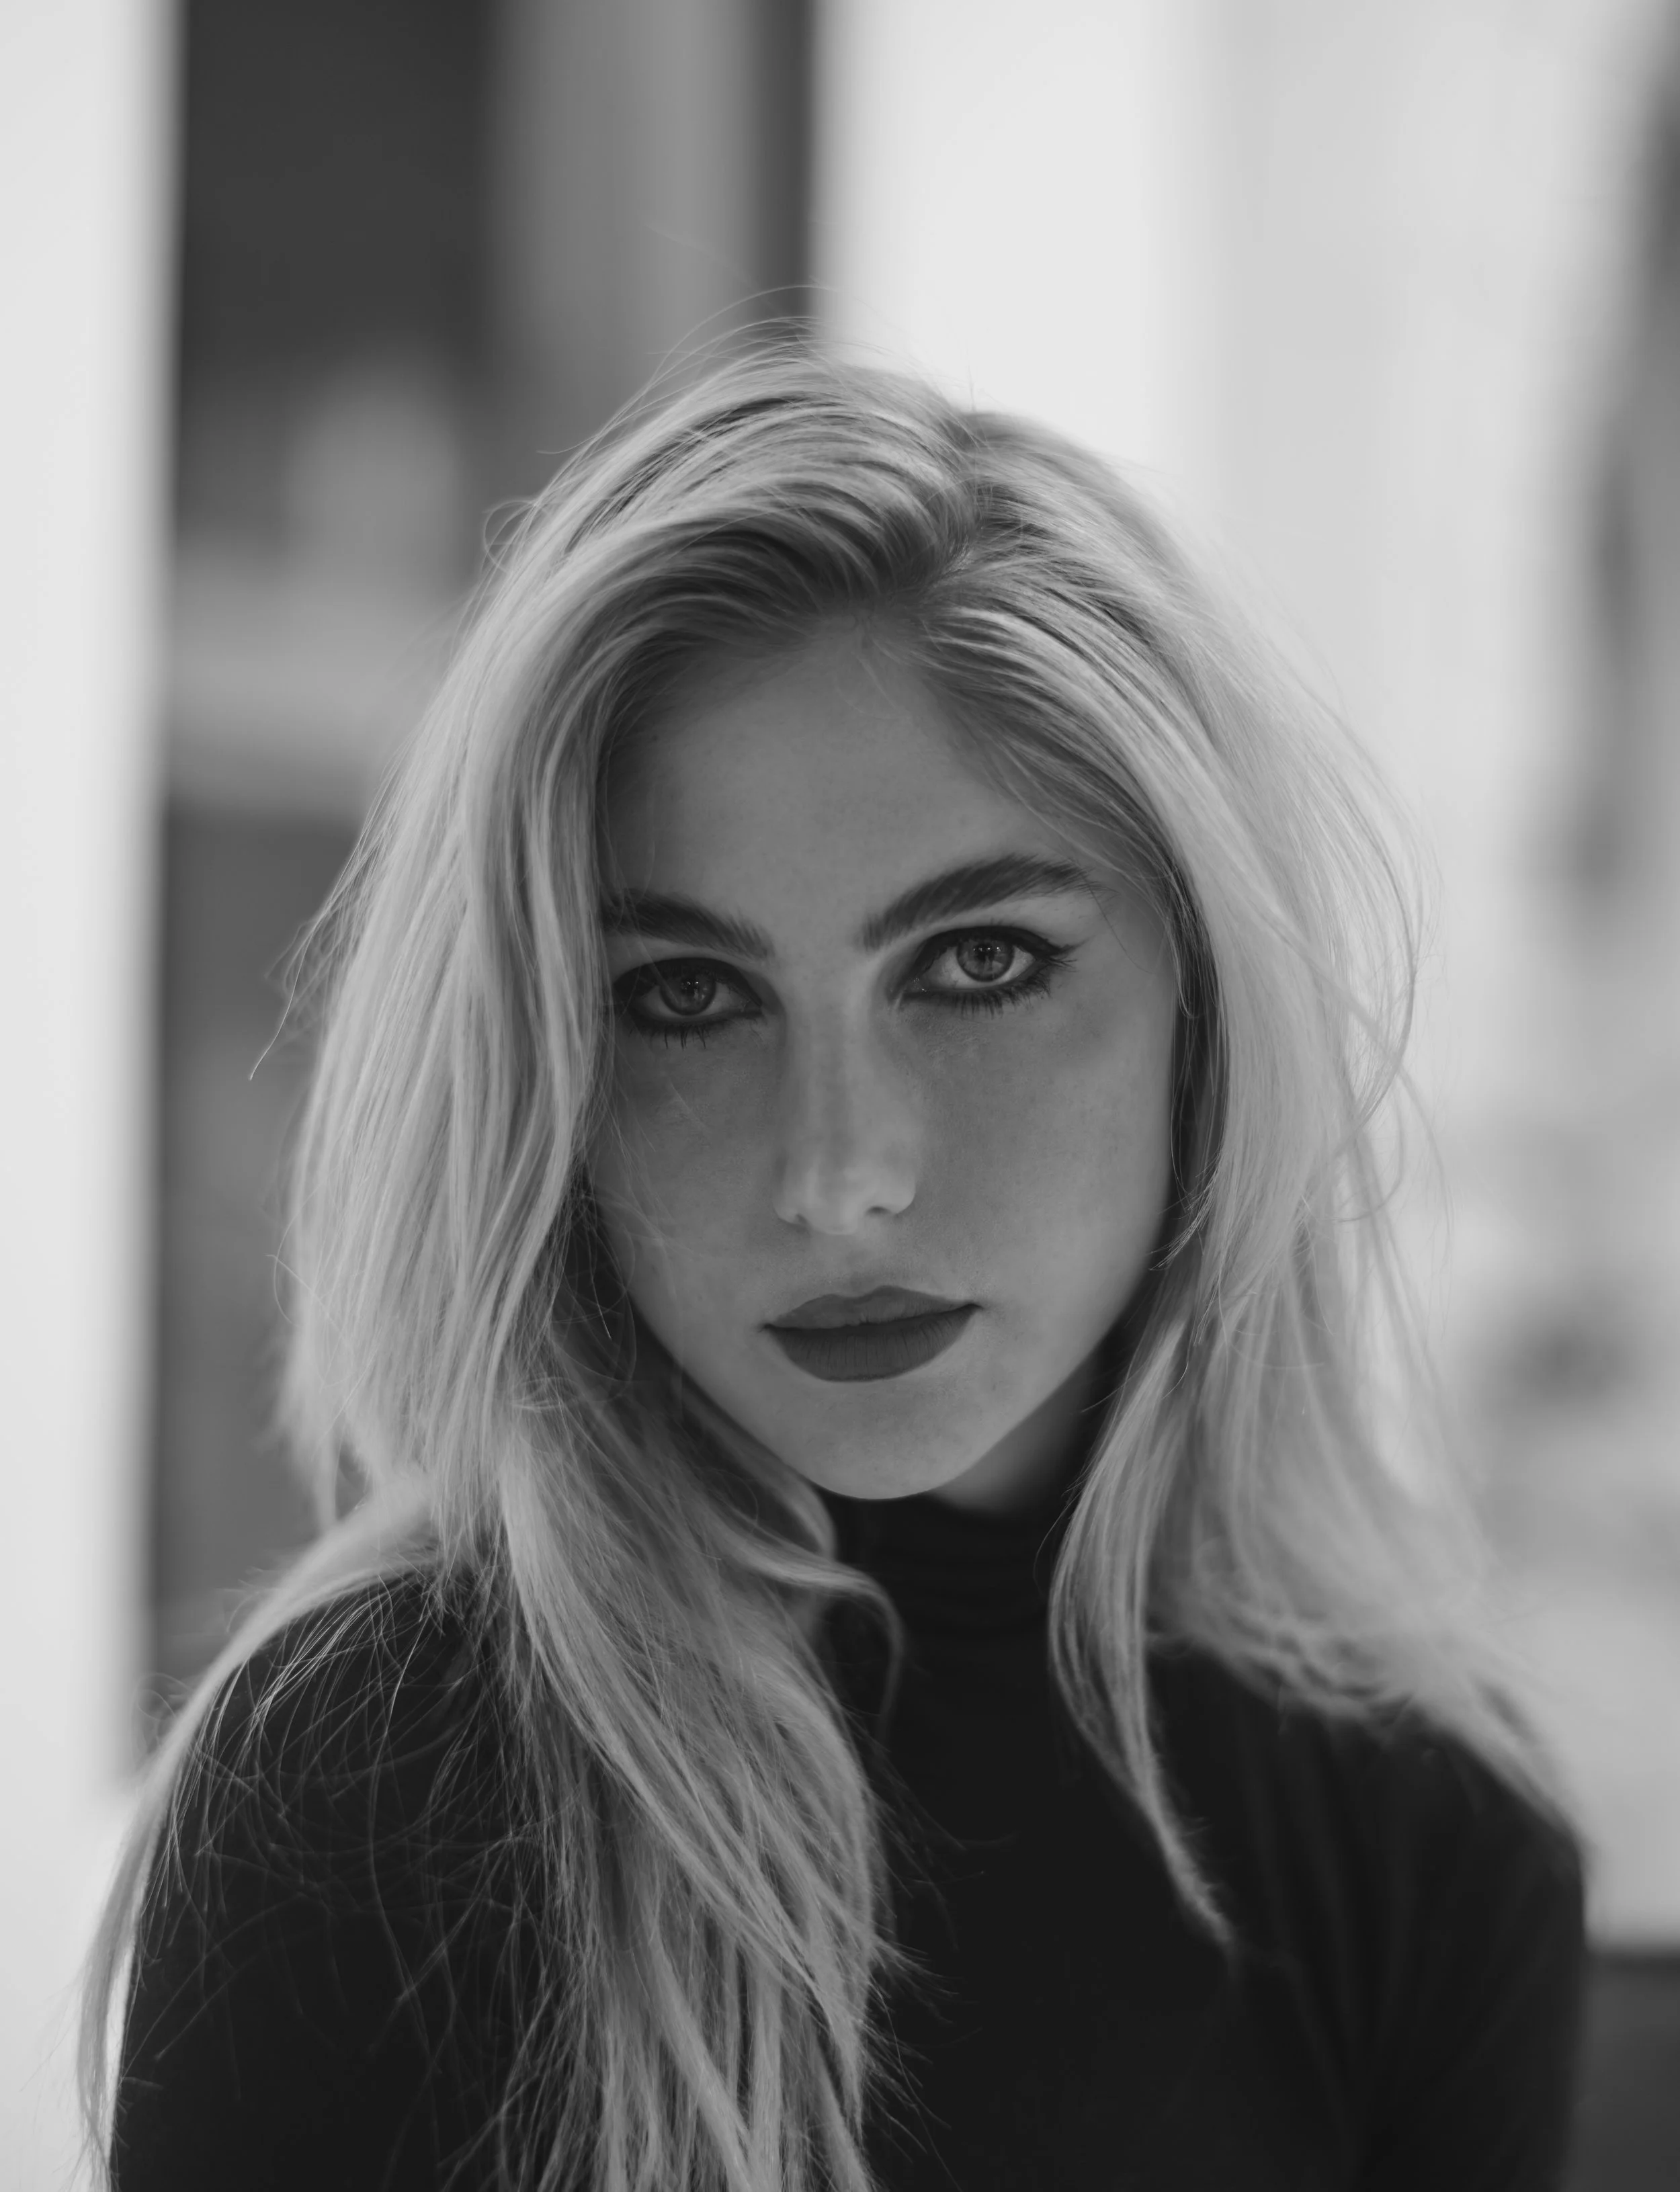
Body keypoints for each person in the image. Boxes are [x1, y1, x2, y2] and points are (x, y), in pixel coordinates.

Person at [83, 344, 1587, 2191]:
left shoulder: (1419, 1825)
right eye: (685, 997)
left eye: (974, 965)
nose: (838, 1175)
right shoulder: (377, 1778)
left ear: (1206, 993)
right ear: (551, 1067)